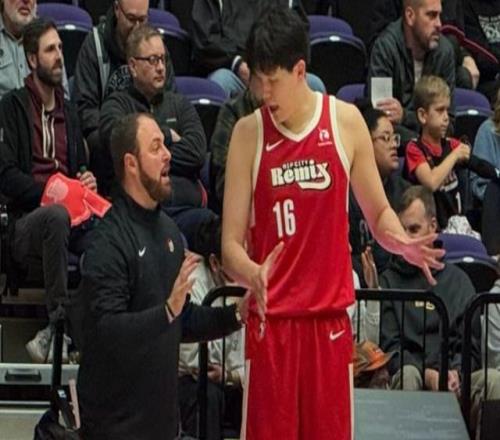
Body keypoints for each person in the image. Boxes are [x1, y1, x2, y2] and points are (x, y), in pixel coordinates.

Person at [222, 8, 444, 439]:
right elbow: (229, 243)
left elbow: (379, 214)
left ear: (300, 70)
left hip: (329, 325)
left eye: (273, 81)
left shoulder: (344, 122)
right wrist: (251, 272)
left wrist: (402, 243)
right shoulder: (248, 133)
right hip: (273, 326)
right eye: (258, 80)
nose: (264, 92)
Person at [76, 112, 246, 439]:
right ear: (131, 163)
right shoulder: (108, 240)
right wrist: (167, 311)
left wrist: (238, 314)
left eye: (166, 145)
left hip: (162, 424)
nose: (168, 154)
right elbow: (104, 331)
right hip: (115, 427)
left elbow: (182, 320)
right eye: (156, 147)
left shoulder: (169, 231)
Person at [0, 18, 95, 363]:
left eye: (60, 48)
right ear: (31, 59)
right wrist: (54, 192)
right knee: (55, 216)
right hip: (27, 222)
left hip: (73, 217)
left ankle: (87, 333)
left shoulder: (70, 111)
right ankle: (56, 329)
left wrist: (85, 180)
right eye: (50, 50)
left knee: (113, 235)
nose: (59, 57)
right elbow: (6, 176)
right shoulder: (12, 107)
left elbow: (78, 168)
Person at [379, 185, 500, 431]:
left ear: (433, 226)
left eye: (414, 229)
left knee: (494, 380)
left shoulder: (459, 281)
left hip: (458, 380)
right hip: (413, 376)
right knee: (408, 374)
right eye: (402, 230)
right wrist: (428, 374)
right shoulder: (388, 281)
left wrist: (455, 372)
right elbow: (391, 348)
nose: (407, 238)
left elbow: (471, 348)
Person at [99, 24, 217, 253]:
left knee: (217, 231)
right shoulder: (117, 105)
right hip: (140, 216)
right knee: (171, 241)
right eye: (152, 60)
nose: (161, 67)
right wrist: (167, 135)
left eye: (163, 59)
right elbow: (116, 141)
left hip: (186, 209)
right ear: (133, 66)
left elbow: (196, 153)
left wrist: (151, 152)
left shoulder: (179, 104)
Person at [72, 0, 176, 193]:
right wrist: (128, 135)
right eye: (131, 19)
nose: (137, 27)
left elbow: (170, 101)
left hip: (152, 132)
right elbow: (85, 111)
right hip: (109, 140)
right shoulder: (95, 45)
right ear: (117, 10)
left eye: (142, 20)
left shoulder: (155, 47)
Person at [178, 241, 245, 440]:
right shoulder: (194, 279)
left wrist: (232, 375)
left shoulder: (250, 278)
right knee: (207, 395)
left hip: (234, 379)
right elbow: (194, 361)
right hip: (190, 380)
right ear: (215, 262)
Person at [367, 0, 457, 144]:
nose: (439, 24)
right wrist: (425, 131)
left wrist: (404, 116)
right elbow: (380, 122)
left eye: (439, 15)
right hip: (396, 147)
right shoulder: (385, 49)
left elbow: (448, 125)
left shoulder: (444, 53)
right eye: (431, 15)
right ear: (410, 16)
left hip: (432, 149)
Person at [349, 106, 411, 277]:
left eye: (395, 138)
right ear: (366, 143)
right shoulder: (346, 194)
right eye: (385, 138)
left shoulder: (406, 192)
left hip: (397, 283)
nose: (394, 145)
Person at [404, 75, 472, 228]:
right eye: (440, 110)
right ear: (423, 115)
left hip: (457, 225)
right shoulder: (414, 148)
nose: (446, 117)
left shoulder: (452, 144)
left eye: (447, 110)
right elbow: (431, 183)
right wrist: (455, 155)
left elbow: (479, 164)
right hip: (429, 229)